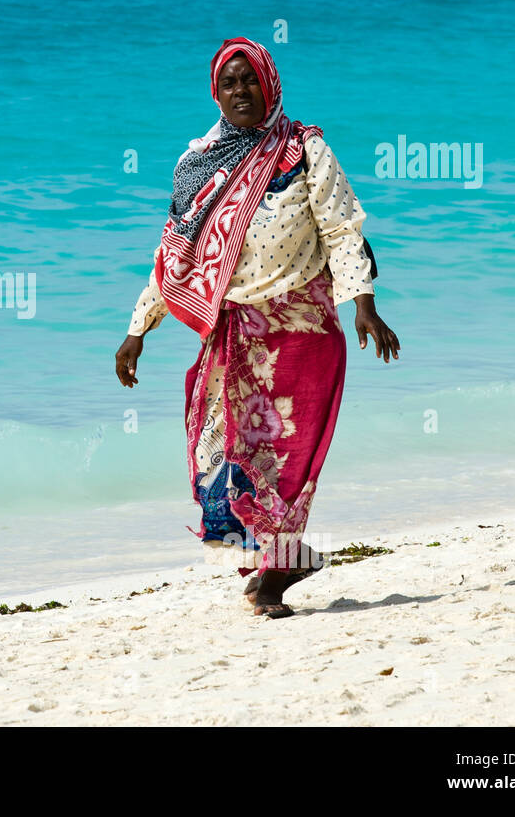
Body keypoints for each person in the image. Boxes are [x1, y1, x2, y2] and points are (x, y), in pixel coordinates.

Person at [114, 37, 400, 619]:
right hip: (234, 330)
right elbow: (176, 253)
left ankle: (274, 575)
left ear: (268, 83)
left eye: (249, 80)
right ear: (214, 92)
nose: (240, 91)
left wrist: (363, 302)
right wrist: (138, 328)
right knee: (225, 452)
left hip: (302, 326)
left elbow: (343, 230)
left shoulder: (303, 151)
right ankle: (283, 559)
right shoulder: (197, 161)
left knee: (288, 456)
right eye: (229, 83)